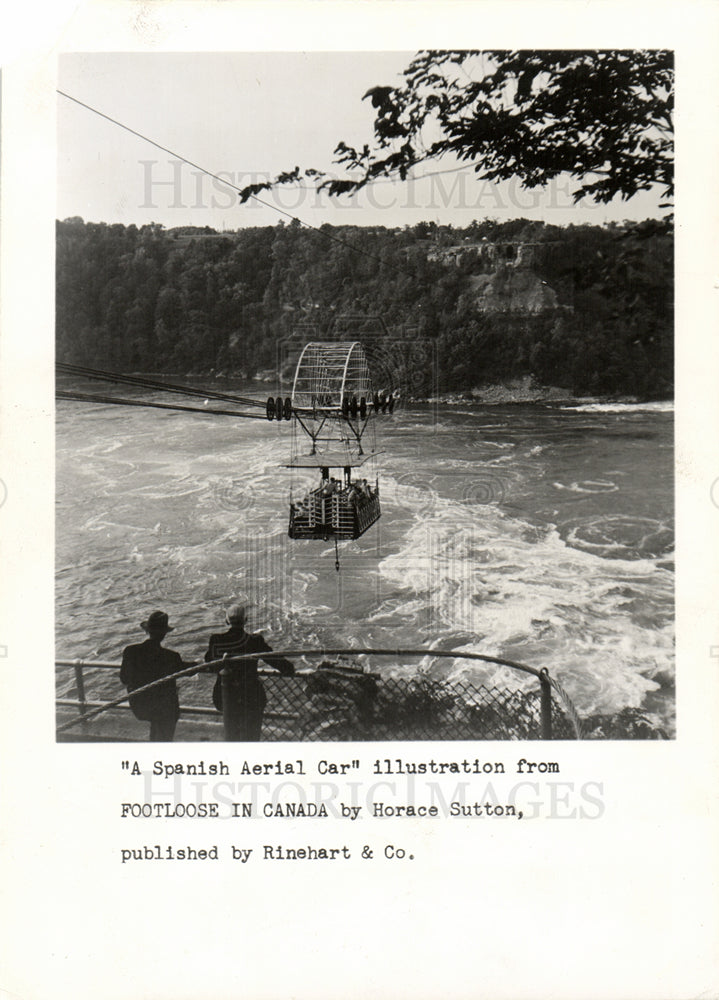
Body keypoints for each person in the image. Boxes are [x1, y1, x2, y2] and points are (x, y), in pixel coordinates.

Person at [204, 605, 294, 741]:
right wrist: (290, 669)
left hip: (225, 695)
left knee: (232, 733)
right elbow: (275, 660)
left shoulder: (216, 640)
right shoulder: (254, 641)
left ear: (227, 621)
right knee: (251, 736)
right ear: (245, 620)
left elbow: (209, 663)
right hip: (251, 696)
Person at [120, 610, 182, 741]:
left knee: (158, 713)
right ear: (164, 634)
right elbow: (184, 669)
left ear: (147, 631)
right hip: (163, 709)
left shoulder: (130, 651)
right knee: (168, 708)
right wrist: (196, 664)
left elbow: (124, 678)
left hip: (139, 706)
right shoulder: (171, 657)